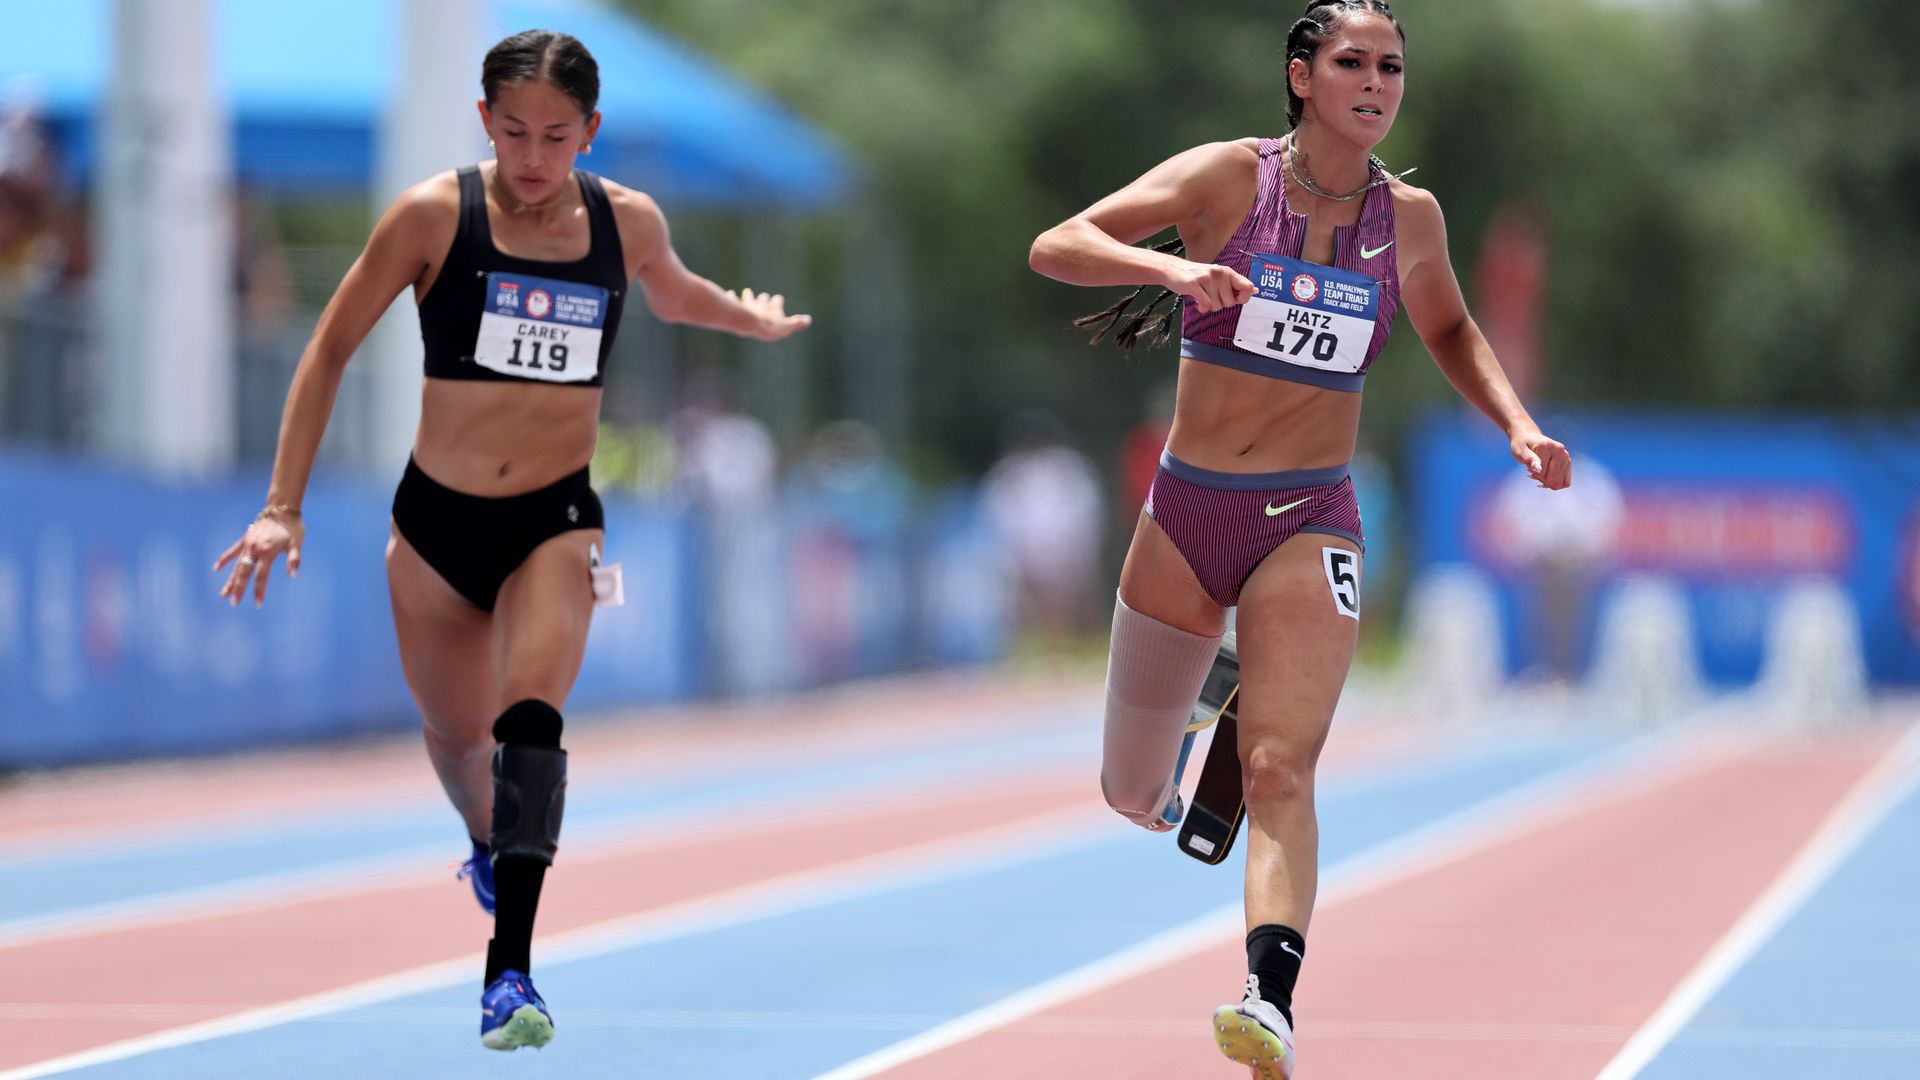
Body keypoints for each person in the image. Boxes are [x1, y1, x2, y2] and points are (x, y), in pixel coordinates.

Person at [213, 30, 809, 1052]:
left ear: (591, 133)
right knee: (459, 745)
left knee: (529, 724)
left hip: (554, 519)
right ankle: (488, 844)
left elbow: (671, 290)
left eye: (558, 138)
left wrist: (741, 319)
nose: (535, 160)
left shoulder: (626, 223)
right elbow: (329, 348)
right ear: (485, 121)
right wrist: (283, 503)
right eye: (517, 134)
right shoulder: (434, 216)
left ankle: (510, 977)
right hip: (436, 528)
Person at [1028, 3, 1570, 1076]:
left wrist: (1515, 421)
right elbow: (1058, 245)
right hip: (1189, 516)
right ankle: (1218, 681)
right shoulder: (1229, 179)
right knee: (1133, 794)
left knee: (1280, 764)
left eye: (1393, 67)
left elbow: (1451, 326)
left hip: (1311, 516)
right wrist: (1175, 272)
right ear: (1301, 76)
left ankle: (1266, 999)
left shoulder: (1409, 218)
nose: (1376, 82)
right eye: (1353, 63)